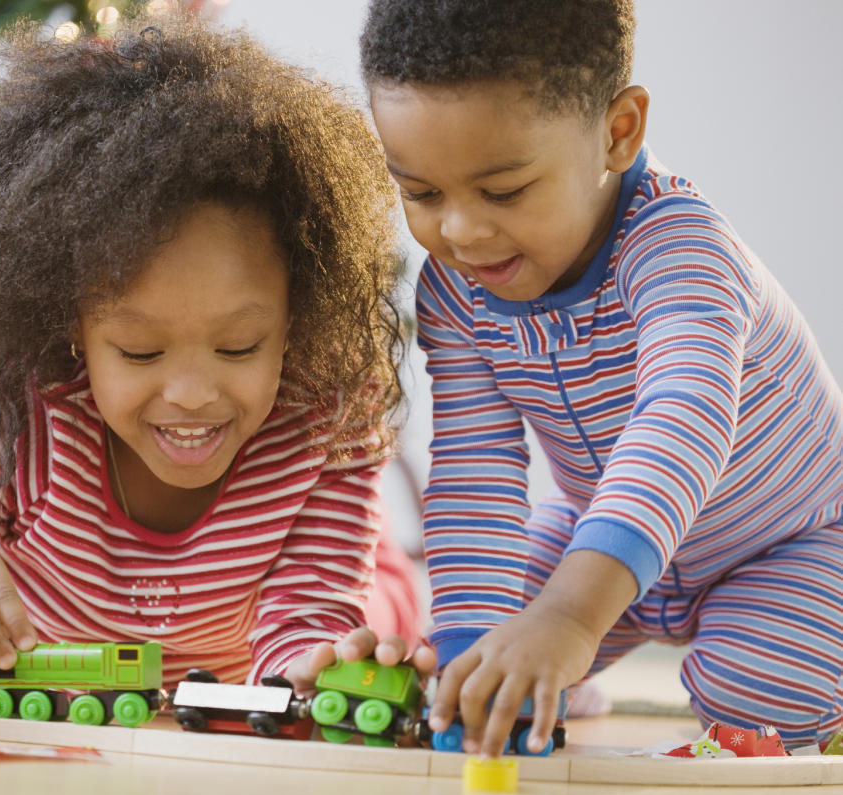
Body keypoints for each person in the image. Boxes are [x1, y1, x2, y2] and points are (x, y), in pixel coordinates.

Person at [0, 14, 424, 706]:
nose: (190, 393)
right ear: (69, 328)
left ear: (295, 317)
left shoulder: (326, 412)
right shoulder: (10, 419)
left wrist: (319, 668)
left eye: (239, 346)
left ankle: (396, 581)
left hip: (299, 624)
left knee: (389, 611)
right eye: (140, 350)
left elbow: (307, 622)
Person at [360, 0, 843, 756]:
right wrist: (472, 663)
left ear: (618, 132)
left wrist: (572, 619)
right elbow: (475, 472)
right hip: (598, 531)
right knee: (467, 649)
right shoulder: (456, 290)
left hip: (794, 542)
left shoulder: (682, 251)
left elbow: (681, 420)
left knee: (752, 691)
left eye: (504, 191)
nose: (458, 231)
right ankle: (553, 678)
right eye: (421, 194)